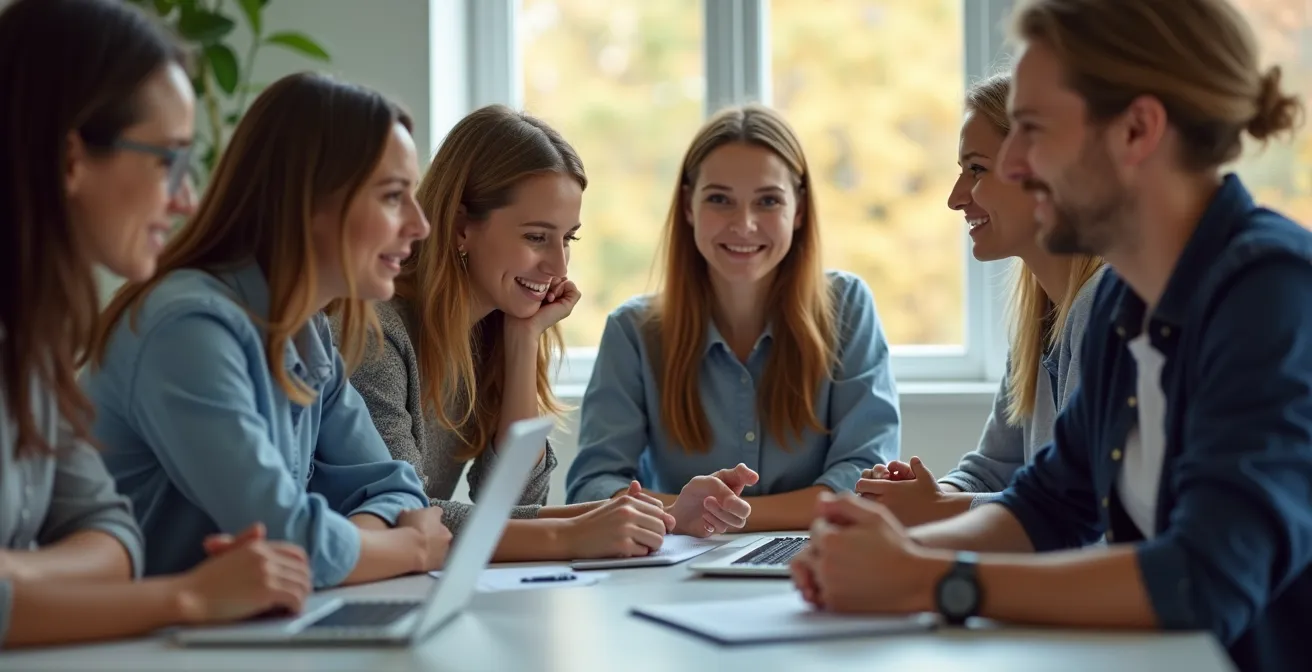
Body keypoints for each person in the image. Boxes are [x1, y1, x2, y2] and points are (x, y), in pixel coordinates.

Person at [790, 1, 1312, 669]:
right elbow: (1045, 506)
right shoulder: (1128, 298)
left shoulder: (1271, 292)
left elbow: (1203, 578)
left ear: (1137, 131)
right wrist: (898, 554)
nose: (1010, 165)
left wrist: (928, 581)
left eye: (1031, 129)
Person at [0, 0, 312, 648]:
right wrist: (190, 596)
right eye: (167, 160)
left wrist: (17, 579)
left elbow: (111, 529)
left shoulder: (36, 335)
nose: (186, 198)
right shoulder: (181, 320)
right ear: (72, 159)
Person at [85, 72, 449, 591]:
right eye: (393, 197)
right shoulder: (187, 329)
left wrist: (360, 548)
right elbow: (286, 537)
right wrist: (403, 547)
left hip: (231, 634)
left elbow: (394, 486)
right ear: (309, 201)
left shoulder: (306, 329)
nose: (420, 225)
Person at [344, 105, 701, 561]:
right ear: (460, 229)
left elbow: (515, 504)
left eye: (568, 238)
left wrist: (661, 516)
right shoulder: (375, 333)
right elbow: (405, 516)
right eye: (536, 237)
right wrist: (574, 534)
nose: (558, 266)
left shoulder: (490, 326)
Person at [567, 103, 901, 533]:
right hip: (674, 573)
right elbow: (594, 489)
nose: (743, 224)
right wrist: (690, 514)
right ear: (688, 206)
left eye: (768, 201)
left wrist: (703, 515)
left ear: (798, 210)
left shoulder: (848, 309)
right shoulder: (632, 333)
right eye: (720, 199)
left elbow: (864, 483)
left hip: (815, 562)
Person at [855, 73, 1105, 527]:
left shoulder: (1102, 308)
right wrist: (926, 496)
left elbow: (1086, 508)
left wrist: (937, 510)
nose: (955, 198)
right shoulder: (1040, 320)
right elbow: (996, 469)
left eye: (976, 169)